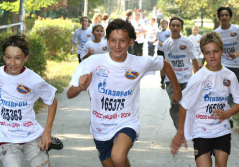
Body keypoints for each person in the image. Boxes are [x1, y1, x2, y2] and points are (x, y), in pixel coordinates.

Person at [67, 19, 182, 167]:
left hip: (126, 121)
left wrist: (177, 90)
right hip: (100, 126)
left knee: (118, 157)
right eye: (113, 40)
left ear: (131, 41)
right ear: (107, 40)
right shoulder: (92, 62)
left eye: (122, 41)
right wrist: (80, 87)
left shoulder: (139, 62)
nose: (117, 46)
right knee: (112, 162)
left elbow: (164, 64)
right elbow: (69, 94)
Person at [170, 32, 239, 167]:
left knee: (221, 164)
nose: (212, 56)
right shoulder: (198, 78)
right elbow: (184, 105)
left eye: (215, 51)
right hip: (201, 131)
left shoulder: (229, 76)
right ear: (202, 53)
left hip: (221, 129)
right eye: (207, 53)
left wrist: (227, 113)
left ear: (222, 51)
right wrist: (180, 133)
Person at [0, 35, 58, 167]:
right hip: (5, 136)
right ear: (3, 57)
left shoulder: (34, 80)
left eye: (18, 58)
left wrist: (47, 132)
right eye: (8, 57)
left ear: (26, 57)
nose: (12, 63)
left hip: (31, 135)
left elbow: (52, 101)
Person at [163, 16, 199, 129]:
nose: (175, 27)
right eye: (173, 25)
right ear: (169, 27)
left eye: (178, 26)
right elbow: (166, 63)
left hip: (186, 79)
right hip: (171, 81)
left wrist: (198, 77)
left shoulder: (187, 42)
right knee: (175, 103)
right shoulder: (165, 44)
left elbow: (194, 60)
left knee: (186, 104)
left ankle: (188, 126)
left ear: (181, 28)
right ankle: (181, 129)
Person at [214, 7, 239, 110]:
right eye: (222, 15)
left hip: (237, 65)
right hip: (224, 65)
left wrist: (237, 54)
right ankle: (227, 114)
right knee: (226, 90)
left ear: (230, 17)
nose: (224, 17)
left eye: (226, 15)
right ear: (219, 18)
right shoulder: (216, 33)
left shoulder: (236, 29)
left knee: (235, 91)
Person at [156, 19, 171, 89]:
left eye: (165, 24)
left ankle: (167, 80)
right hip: (160, 51)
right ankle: (162, 81)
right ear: (160, 25)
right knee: (161, 66)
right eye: (162, 24)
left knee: (167, 66)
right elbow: (158, 40)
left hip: (167, 51)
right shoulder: (158, 32)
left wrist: (164, 44)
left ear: (167, 25)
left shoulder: (169, 32)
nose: (163, 25)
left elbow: (171, 41)